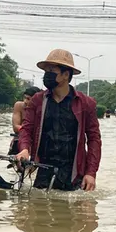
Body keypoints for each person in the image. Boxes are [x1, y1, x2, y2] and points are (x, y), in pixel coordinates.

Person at [15, 49, 102, 192]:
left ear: (66, 75)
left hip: (73, 172)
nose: (47, 75)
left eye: (51, 70)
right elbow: (27, 128)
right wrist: (24, 149)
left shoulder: (86, 104)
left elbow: (94, 139)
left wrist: (91, 173)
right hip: (43, 168)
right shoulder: (38, 100)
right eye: (46, 71)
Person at [8, 86, 41, 154]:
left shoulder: (42, 109)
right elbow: (16, 127)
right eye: (25, 98)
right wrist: (27, 131)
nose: (25, 101)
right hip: (20, 139)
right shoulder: (19, 106)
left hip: (37, 141)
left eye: (29, 99)